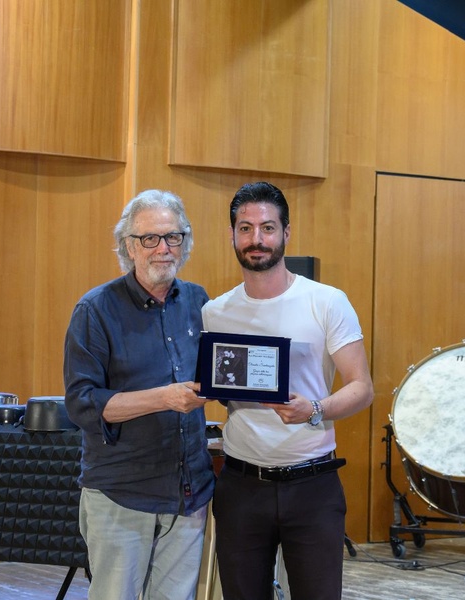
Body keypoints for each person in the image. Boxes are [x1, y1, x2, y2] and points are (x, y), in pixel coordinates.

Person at [201, 181, 374, 600]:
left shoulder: (327, 301)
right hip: (241, 486)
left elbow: (362, 388)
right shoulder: (214, 312)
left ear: (286, 233)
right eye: (245, 228)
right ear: (232, 235)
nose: (256, 239)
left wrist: (314, 408)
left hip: (312, 486)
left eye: (267, 228)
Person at [63, 189, 215, 600]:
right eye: (150, 238)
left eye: (173, 236)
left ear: (185, 242)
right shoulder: (95, 310)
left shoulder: (200, 302)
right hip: (122, 494)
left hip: (188, 493)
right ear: (128, 246)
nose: (163, 248)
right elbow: (82, 403)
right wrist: (164, 398)